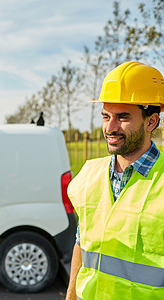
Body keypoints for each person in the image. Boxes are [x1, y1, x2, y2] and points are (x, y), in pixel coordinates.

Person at [65, 61, 164, 299]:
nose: (110, 127)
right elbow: (81, 244)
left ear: (151, 121)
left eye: (122, 117)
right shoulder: (88, 175)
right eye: (106, 116)